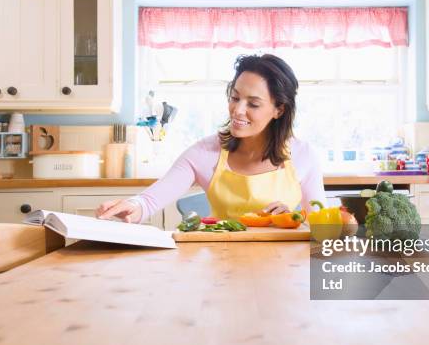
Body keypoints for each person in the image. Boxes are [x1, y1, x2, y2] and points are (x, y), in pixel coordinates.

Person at [96, 54, 326, 224]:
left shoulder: (304, 155)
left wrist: (294, 219)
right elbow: (150, 200)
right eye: (235, 98)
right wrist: (134, 205)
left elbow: (322, 226)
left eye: (253, 104)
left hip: (282, 270)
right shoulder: (205, 153)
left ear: (279, 110)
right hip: (219, 266)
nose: (237, 110)